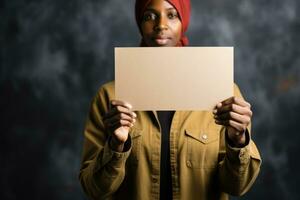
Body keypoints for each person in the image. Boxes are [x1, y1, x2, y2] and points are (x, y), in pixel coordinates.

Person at [79, 0, 262, 199]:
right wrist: (116, 145)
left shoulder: (224, 94)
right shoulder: (110, 97)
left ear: (184, 22)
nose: (161, 25)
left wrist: (237, 141)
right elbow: (94, 189)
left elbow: (237, 187)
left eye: (172, 15)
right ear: (139, 23)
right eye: (149, 16)